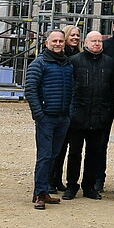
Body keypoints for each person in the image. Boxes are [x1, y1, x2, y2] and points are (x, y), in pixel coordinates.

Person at [64, 31, 114, 200]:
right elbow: (69, 89)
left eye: (99, 41)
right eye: (93, 41)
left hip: (99, 116)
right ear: (85, 43)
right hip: (78, 116)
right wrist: (71, 111)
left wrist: (107, 111)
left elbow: (112, 89)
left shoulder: (109, 62)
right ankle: (71, 186)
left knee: (94, 153)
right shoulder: (74, 61)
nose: (97, 44)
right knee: (74, 153)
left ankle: (89, 186)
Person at [26, 29, 74, 210]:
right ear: (47, 43)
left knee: (53, 156)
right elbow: (30, 90)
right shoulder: (39, 64)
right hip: (46, 118)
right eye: (54, 41)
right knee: (44, 156)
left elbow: (72, 90)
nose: (58, 44)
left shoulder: (67, 64)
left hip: (62, 118)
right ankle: (39, 193)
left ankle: (44, 190)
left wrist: (69, 112)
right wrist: (39, 114)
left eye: (61, 41)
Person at [50, 24, 84, 192]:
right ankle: (51, 179)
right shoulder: (61, 56)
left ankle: (58, 179)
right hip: (62, 106)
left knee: (69, 148)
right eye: (72, 35)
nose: (75, 38)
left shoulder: (80, 56)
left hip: (75, 108)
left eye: (78, 35)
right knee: (58, 147)